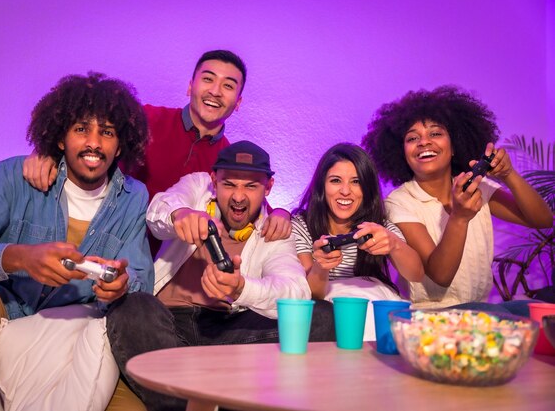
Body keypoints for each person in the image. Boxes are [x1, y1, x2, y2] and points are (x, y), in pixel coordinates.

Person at [0, 72, 154, 411]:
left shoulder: (133, 196)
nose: (94, 143)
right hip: (6, 318)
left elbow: (140, 276)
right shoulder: (14, 176)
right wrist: (18, 257)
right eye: (81, 129)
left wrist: (121, 284)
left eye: (106, 133)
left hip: (80, 341)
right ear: (61, 139)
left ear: (120, 145)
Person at [106, 140, 335, 411]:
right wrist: (181, 215)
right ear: (214, 181)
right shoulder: (197, 187)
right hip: (168, 324)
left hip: (228, 333)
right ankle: (198, 402)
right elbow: (159, 209)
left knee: (320, 316)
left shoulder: (272, 230)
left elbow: (296, 291)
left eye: (251, 186)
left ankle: (205, 392)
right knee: (132, 306)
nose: (238, 197)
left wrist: (241, 289)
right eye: (229, 184)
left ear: (268, 187)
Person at [22, 50, 292, 249]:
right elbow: (88, 137)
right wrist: (46, 152)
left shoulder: (229, 161)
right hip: (106, 243)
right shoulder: (144, 119)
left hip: (168, 275)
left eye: (228, 86)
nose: (216, 91)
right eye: (208, 79)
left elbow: (253, 205)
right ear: (190, 86)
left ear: (239, 102)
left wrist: (281, 213)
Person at [362, 85, 552, 311]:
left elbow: (543, 219)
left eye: (435, 133)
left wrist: (508, 175)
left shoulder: (476, 187)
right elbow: (440, 276)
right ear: (402, 152)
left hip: (479, 310)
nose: (424, 142)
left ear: (454, 147)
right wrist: (459, 218)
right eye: (413, 138)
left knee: (537, 309)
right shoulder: (399, 202)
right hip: (429, 314)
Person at [291, 143, 423, 339]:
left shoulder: (380, 227)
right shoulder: (302, 225)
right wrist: (321, 266)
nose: (345, 191)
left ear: (367, 188)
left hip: (374, 306)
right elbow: (312, 294)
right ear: (322, 186)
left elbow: (416, 274)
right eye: (336, 181)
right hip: (328, 316)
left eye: (356, 181)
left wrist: (394, 244)